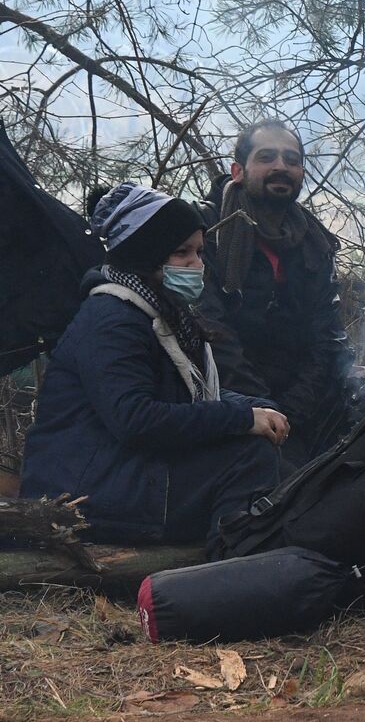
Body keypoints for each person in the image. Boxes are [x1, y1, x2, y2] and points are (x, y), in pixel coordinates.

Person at [21, 184, 284, 554]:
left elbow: (185, 395)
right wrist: (239, 418)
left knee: (259, 437)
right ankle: (231, 568)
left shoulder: (156, 312)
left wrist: (256, 407)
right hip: (80, 496)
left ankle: (237, 557)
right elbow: (136, 420)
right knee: (248, 456)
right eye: (182, 253)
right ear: (145, 256)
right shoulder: (111, 319)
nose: (197, 264)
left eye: (199, 252)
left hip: (117, 475)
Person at [197, 120, 353, 467]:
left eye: (291, 160)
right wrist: (262, 409)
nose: (281, 166)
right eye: (267, 157)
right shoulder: (207, 232)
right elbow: (210, 331)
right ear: (238, 171)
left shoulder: (314, 242)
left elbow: (326, 338)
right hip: (224, 400)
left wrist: (292, 412)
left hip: (300, 404)